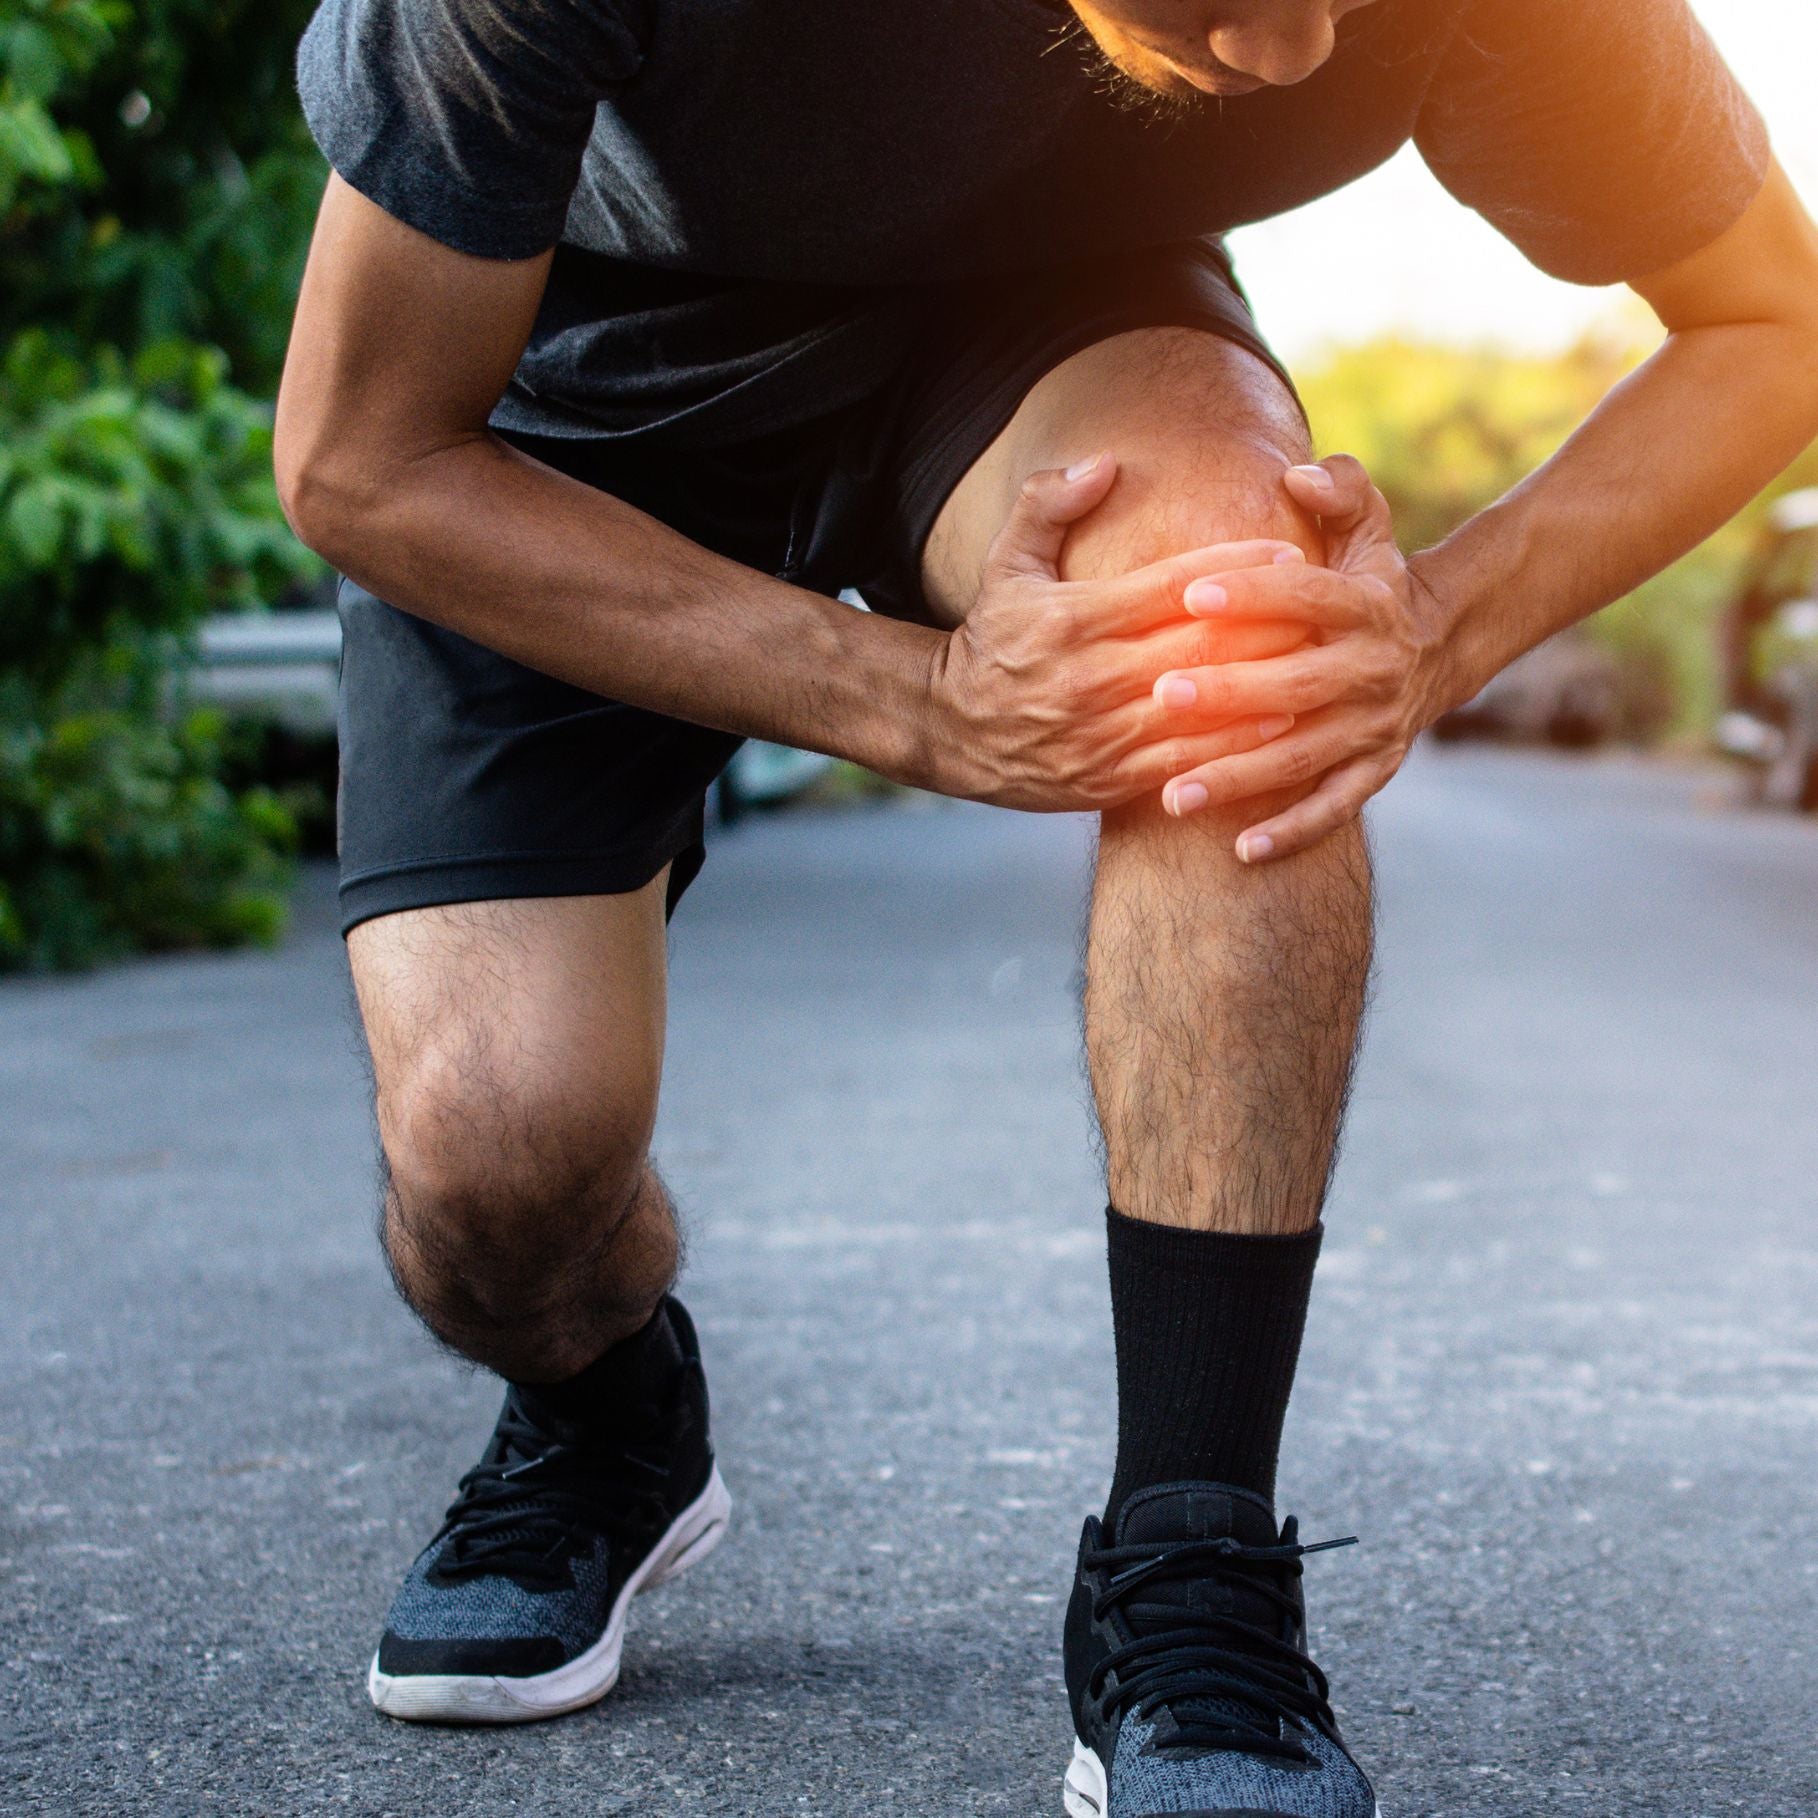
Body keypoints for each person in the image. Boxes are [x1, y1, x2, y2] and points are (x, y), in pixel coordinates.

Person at [275, 0, 1818, 1808]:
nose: (1292, 49)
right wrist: (906, 702)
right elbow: (357, 454)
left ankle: (1190, 1555)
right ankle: (604, 1413)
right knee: (495, 1157)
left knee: (1238, 625)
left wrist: (1429, 630)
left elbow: (1772, 324)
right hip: (565, 405)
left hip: (1051, 333)